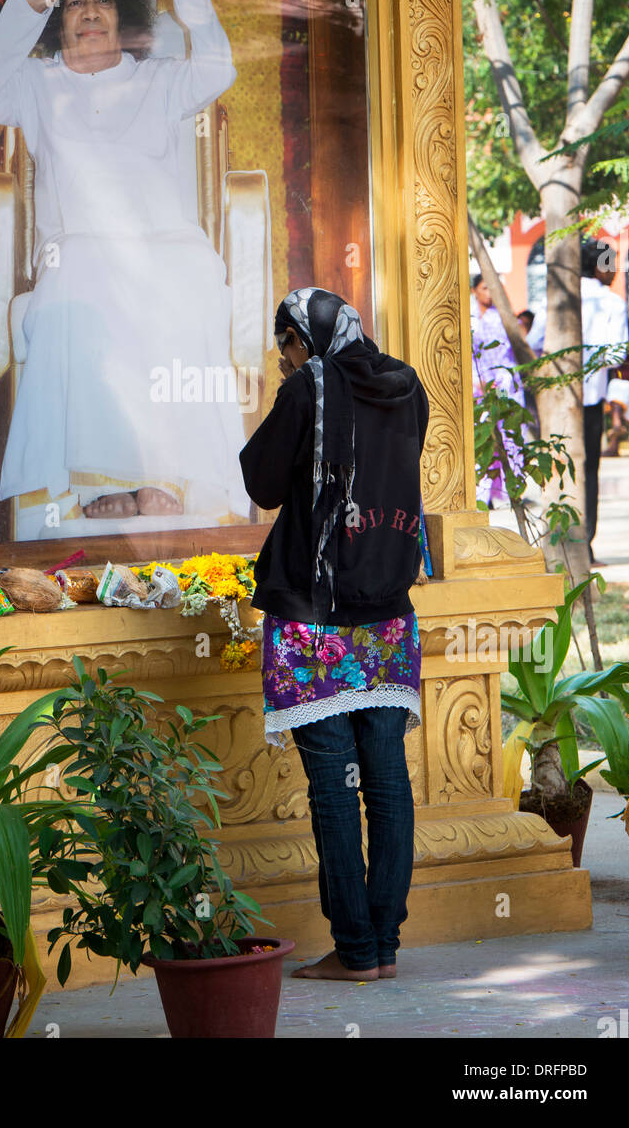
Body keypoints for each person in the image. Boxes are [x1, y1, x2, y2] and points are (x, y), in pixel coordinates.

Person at [0, 0, 249, 528]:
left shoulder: (158, 80)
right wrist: (24, 4)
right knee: (78, 290)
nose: (90, 13)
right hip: (79, 252)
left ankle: (164, 475)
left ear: (125, 12)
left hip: (166, 249)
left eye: (103, 0)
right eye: (75, 2)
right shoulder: (37, 84)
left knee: (186, 282)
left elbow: (220, 67)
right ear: (60, 17)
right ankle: (100, 483)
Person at [239, 287, 429, 982]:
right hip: (386, 612)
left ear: (301, 337)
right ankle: (381, 947)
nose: (282, 358)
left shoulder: (309, 387)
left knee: (331, 783)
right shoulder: (404, 385)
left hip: (314, 614)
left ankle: (354, 948)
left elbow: (261, 482)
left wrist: (295, 395)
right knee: (384, 779)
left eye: (283, 344)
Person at [526, 239, 629, 561]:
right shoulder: (612, 304)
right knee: (589, 469)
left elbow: (533, 341)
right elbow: (617, 354)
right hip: (591, 398)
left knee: (556, 466)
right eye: (610, 264)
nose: (614, 272)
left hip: (555, 399)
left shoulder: (557, 298)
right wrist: (589, 364)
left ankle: (557, 542)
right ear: (596, 266)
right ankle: (584, 543)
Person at [470, 274, 527, 507]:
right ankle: (482, 492)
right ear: (474, 290)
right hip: (478, 385)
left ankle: (510, 490)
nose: (489, 293)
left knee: (508, 432)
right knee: (482, 435)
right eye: (485, 288)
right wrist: (477, 381)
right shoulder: (469, 318)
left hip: (504, 385)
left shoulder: (504, 318)